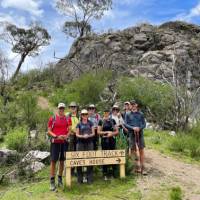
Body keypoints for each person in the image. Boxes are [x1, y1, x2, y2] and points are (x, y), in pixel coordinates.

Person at [48, 103, 72, 191]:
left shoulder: (67, 119)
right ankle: (52, 182)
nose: (61, 110)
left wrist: (66, 136)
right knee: (53, 161)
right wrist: (56, 136)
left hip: (64, 142)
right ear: (58, 109)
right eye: (60, 108)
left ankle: (60, 179)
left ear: (64, 109)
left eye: (63, 108)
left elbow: (69, 130)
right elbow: (49, 131)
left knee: (62, 161)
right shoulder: (53, 118)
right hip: (55, 142)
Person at [124, 100, 146, 174]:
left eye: (134, 104)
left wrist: (139, 128)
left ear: (136, 105)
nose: (133, 105)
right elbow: (125, 124)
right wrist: (132, 128)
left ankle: (143, 168)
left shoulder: (141, 114)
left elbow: (144, 124)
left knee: (141, 150)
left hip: (140, 134)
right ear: (130, 105)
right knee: (133, 150)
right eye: (132, 104)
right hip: (131, 134)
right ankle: (135, 168)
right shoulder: (128, 114)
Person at [98, 108, 118, 180]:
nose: (106, 113)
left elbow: (117, 131)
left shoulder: (113, 121)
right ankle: (105, 173)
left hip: (112, 140)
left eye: (107, 112)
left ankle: (113, 173)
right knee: (105, 156)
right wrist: (107, 133)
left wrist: (111, 134)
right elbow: (98, 132)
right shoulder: (101, 121)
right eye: (105, 112)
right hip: (104, 140)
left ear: (109, 113)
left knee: (112, 155)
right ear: (103, 113)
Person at [76, 109, 95, 184]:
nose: (84, 116)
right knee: (79, 161)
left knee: (90, 160)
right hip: (80, 143)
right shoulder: (79, 124)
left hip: (89, 142)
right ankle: (79, 179)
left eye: (86, 114)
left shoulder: (91, 123)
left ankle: (89, 178)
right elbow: (76, 134)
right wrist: (82, 136)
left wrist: (88, 135)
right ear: (81, 115)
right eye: (83, 114)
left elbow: (93, 133)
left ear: (87, 115)